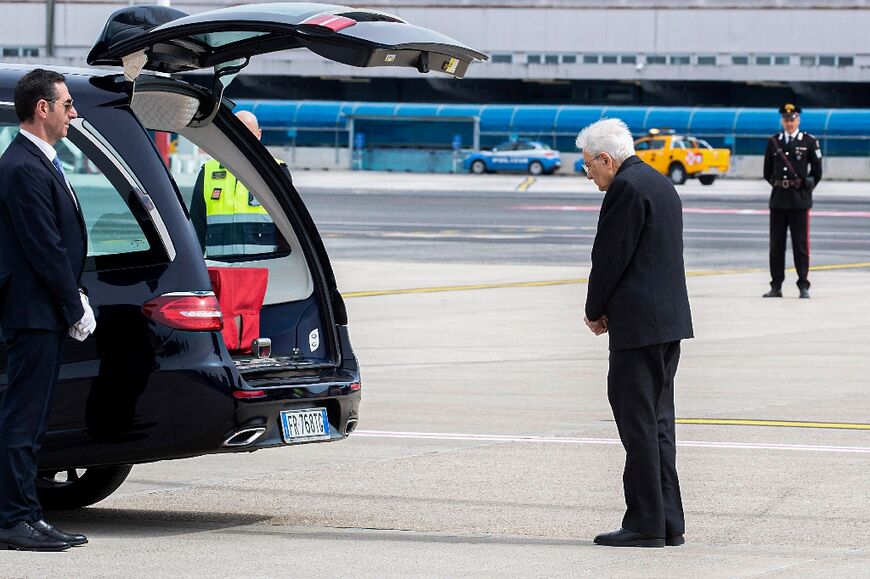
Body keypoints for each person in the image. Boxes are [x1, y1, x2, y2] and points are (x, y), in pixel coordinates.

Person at [578, 118, 694, 548]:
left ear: (607, 159)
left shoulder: (625, 189)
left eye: (589, 166)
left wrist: (594, 310)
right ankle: (668, 522)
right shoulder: (660, 183)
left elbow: (609, 256)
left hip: (638, 326)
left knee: (637, 424)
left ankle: (646, 522)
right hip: (668, 324)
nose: (589, 175)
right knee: (659, 422)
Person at [0, 69, 94, 551]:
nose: (72, 113)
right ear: (43, 108)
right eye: (67, 104)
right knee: (22, 418)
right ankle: (13, 518)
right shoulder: (22, 167)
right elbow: (44, 246)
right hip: (32, 312)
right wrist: (72, 302)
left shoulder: (42, 162)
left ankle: (27, 514)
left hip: (42, 311)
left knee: (32, 420)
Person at [190, 110, 285, 257]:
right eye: (237, 133)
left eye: (248, 133)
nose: (242, 139)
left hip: (263, 271)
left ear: (258, 134)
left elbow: (287, 230)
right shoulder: (208, 171)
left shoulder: (276, 172)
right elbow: (197, 227)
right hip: (221, 271)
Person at [762, 103, 823, 299]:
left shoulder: (809, 141)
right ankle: (776, 285)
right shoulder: (774, 142)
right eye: (786, 119)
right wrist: (780, 184)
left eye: (793, 119)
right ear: (782, 120)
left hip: (799, 201)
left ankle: (803, 285)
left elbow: (817, 171)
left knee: (800, 245)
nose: (789, 122)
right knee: (776, 246)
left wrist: (806, 186)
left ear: (798, 120)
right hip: (779, 200)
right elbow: (767, 172)